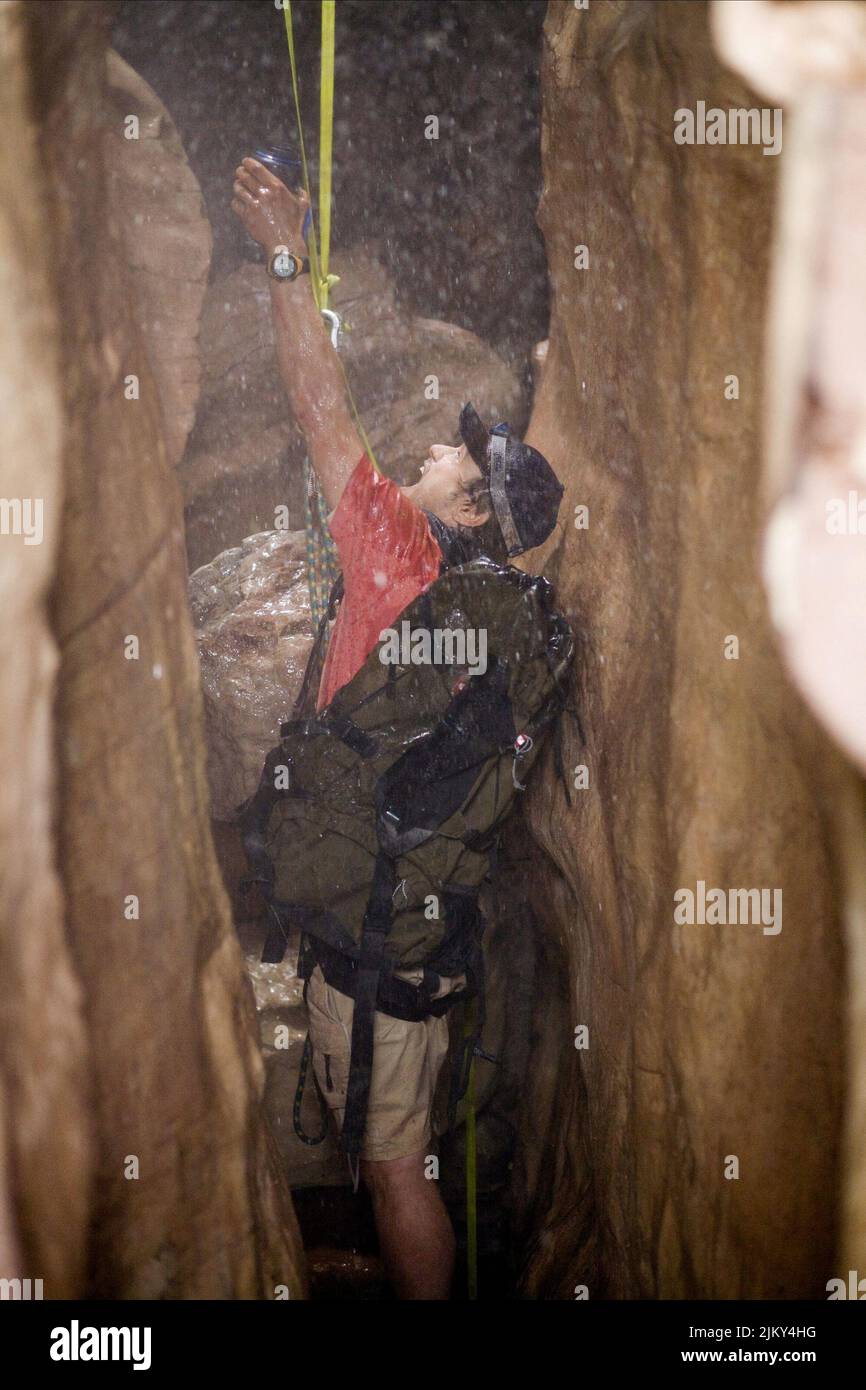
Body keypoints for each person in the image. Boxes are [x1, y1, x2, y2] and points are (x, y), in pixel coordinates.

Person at [231, 157, 563, 1299]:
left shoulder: (395, 557)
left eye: (448, 456)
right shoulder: (483, 615)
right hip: (419, 945)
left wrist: (283, 252)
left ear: (468, 506)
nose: (425, 451)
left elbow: (314, 400)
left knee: (390, 1173)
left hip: (375, 959)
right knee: (397, 1147)